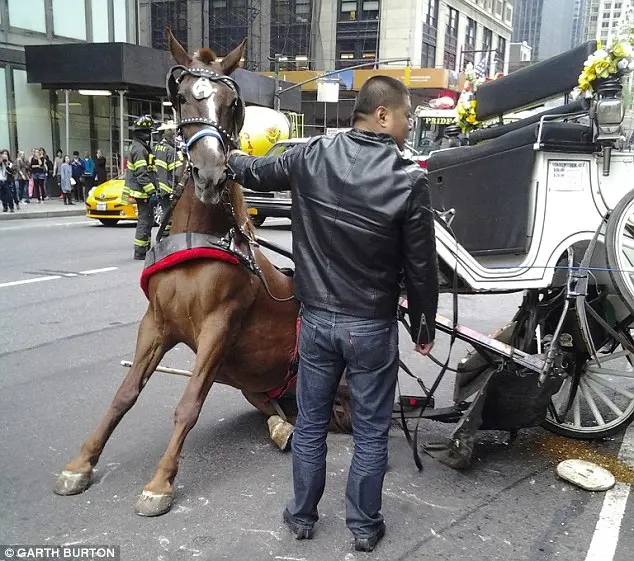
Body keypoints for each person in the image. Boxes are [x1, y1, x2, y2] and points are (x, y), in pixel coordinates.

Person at [228, 76, 438, 552]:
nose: (409, 125)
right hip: (370, 327)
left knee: (309, 424)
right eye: (406, 115)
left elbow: (252, 171)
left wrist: (220, 150)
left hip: (317, 323)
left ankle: (302, 516)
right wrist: (423, 326)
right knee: (369, 434)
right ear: (382, 115)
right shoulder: (409, 179)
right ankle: (364, 527)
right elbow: (421, 267)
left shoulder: (309, 156)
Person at [121, 115, 158, 260]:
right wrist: (152, 191)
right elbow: (141, 174)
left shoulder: (140, 147)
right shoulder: (139, 149)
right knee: (144, 220)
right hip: (141, 193)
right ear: (141, 133)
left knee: (148, 219)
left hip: (143, 192)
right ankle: (140, 251)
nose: (149, 135)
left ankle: (145, 248)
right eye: (147, 132)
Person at [153, 121, 182, 237]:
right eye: (174, 135)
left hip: (158, 188)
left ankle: (163, 238)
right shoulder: (171, 151)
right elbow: (178, 173)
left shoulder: (155, 148)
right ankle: (166, 239)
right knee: (170, 218)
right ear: (170, 136)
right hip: (169, 189)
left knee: (165, 216)